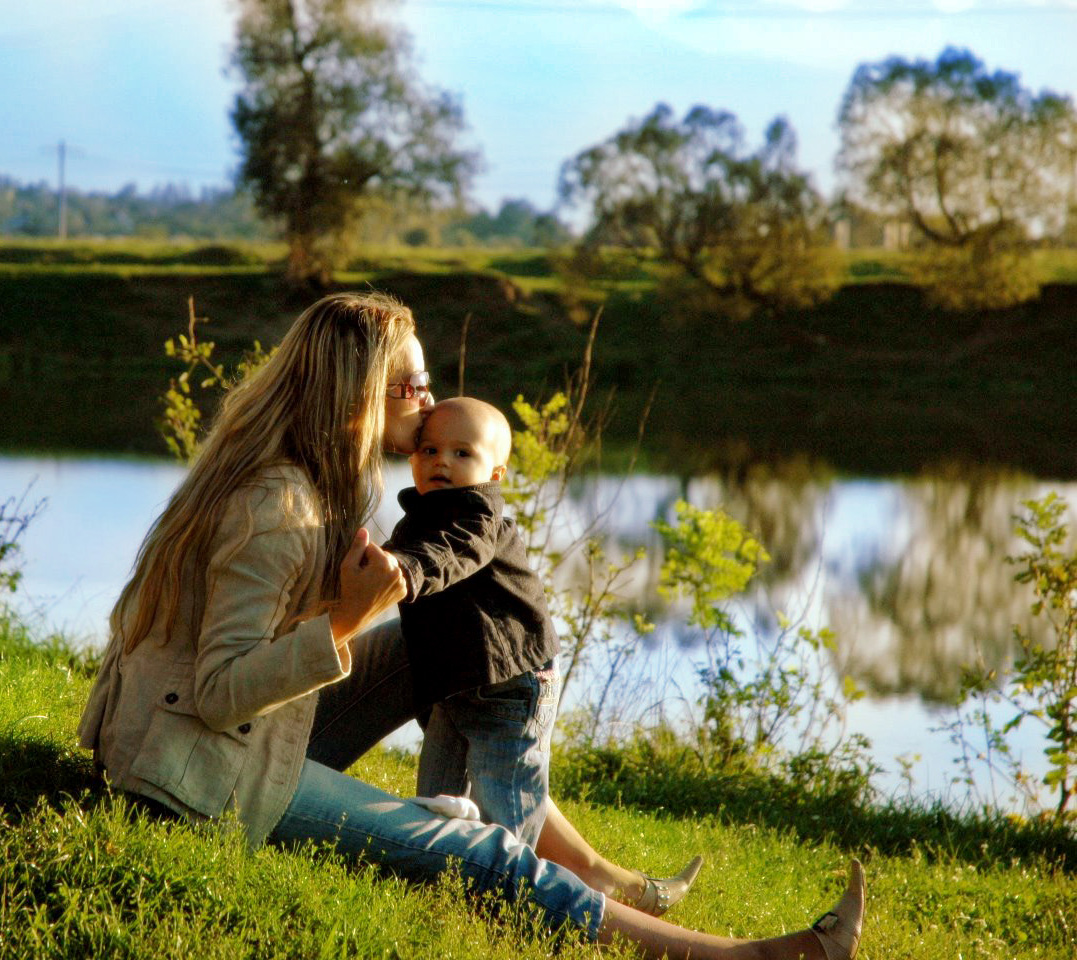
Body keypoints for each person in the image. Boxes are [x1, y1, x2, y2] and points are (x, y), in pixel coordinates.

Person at [78, 291, 865, 959]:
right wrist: (345, 619)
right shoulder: (278, 505)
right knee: (483, 857)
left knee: (447, 649)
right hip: (196, 775)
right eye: (412, 385)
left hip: (214, 738)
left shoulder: (311, 479)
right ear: (363, 394)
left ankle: (597, 871)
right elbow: (218, 693)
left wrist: (364, 613)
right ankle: (745, 957)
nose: (430, 399)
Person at [383, 395, 702, 914]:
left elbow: (450, 556)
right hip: (458, 689)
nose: (441, 460)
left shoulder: (475, 516)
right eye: (430, 448)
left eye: (463, 453)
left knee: (506, 812)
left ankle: (514, 903)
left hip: (511, 688)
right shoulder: (417, 517)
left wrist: (405, 572)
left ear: (496, 471)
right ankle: (437, 893)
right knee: (435, 803)